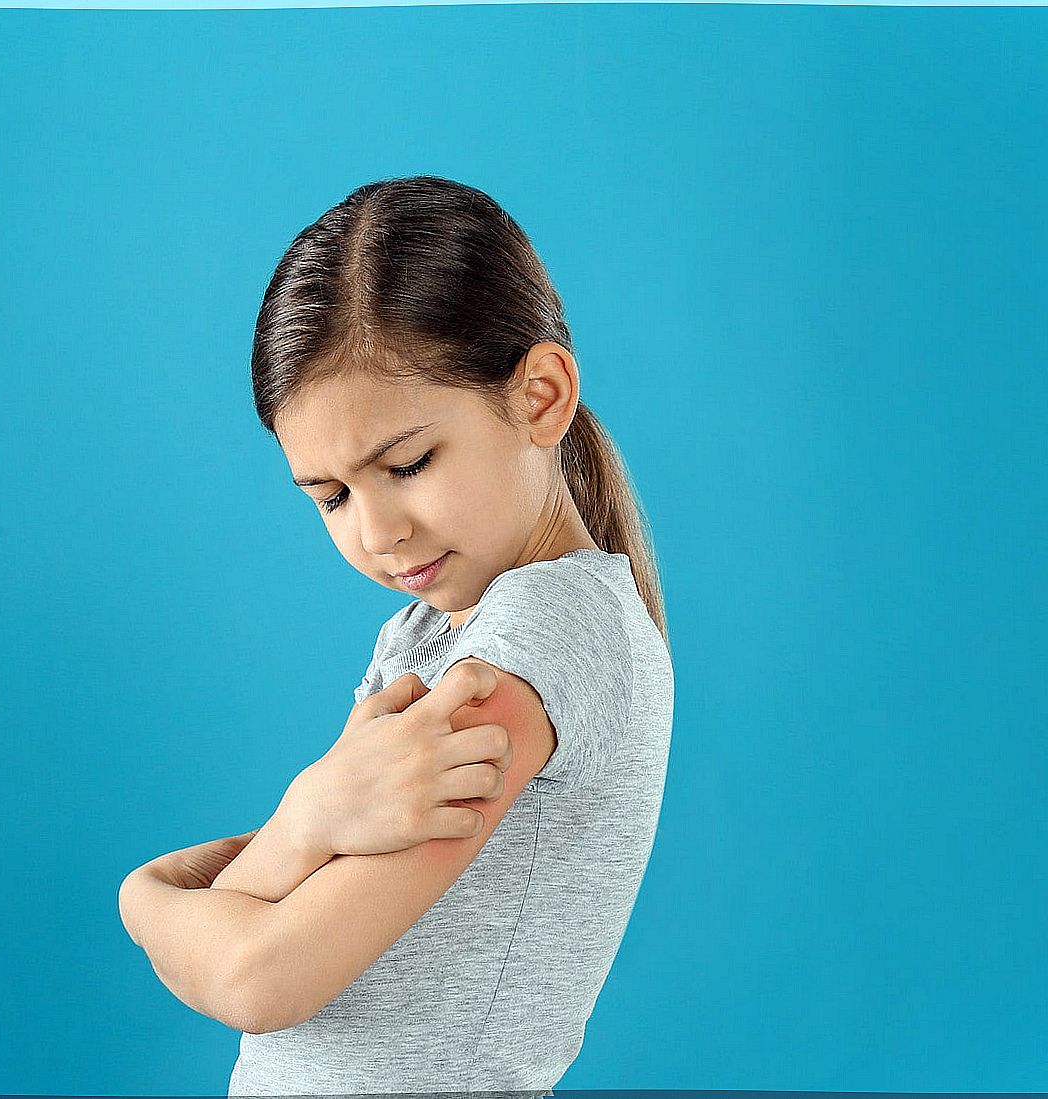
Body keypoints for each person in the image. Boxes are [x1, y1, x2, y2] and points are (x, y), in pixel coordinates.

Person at [117, 175, 674, 1095]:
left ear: (540, 394)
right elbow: (272, 890)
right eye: (330, 496)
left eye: (407, 463)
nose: (376, 533)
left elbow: (258, 971)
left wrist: (144, 899)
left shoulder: (543, 635)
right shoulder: (424, 637)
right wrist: (304, 820)